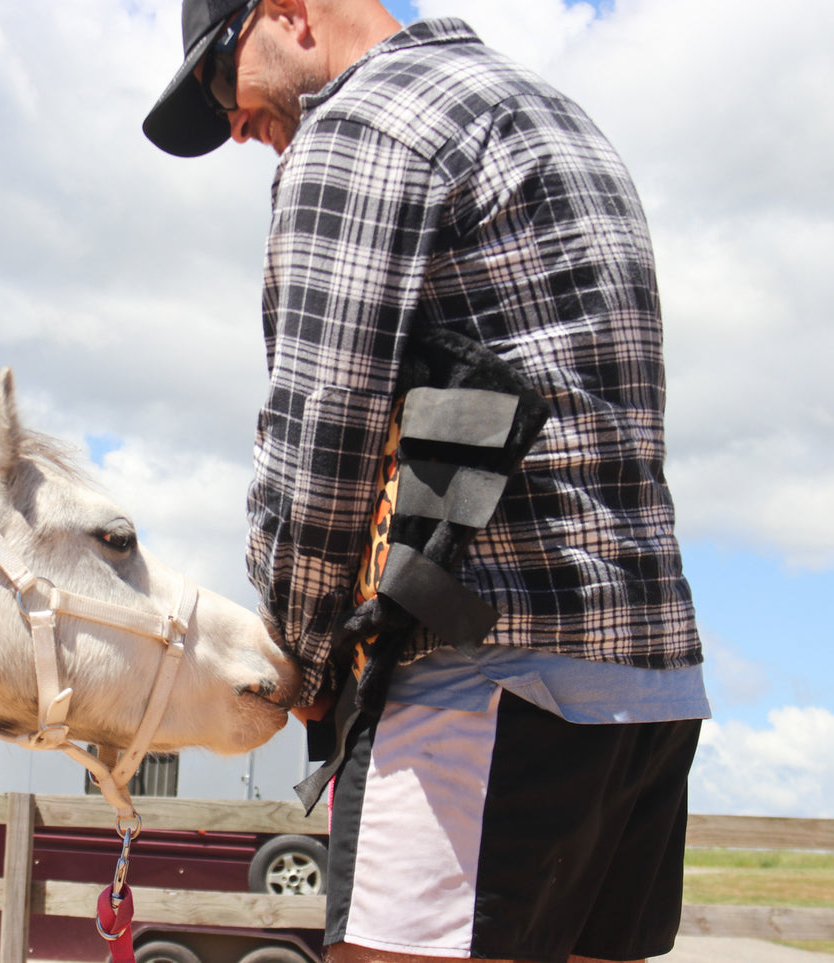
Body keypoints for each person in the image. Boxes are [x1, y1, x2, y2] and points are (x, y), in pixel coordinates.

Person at [143, 3, 709, 963]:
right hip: (646, 689)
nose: (231, 122)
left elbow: (321, 432)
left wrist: (305, 659)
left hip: (488, 682)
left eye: (216, 79)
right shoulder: (551, 112)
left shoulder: (362, 125)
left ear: (284, 12)